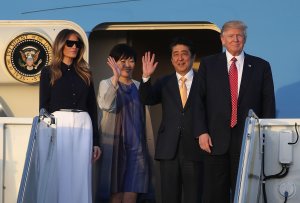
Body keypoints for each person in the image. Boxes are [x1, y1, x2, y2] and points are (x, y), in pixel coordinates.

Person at [195, 20, 276, 203]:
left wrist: (265, 136)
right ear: (222, 40)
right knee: (215, 195)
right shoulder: (208, 64)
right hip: (214, 142)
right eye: (231, 36)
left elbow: (268, 103)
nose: (235, 39)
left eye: (239, 35)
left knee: (246, 194)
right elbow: (198, 101)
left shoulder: (261, 66)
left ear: (245, 40)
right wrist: (201, 131)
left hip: (248, 142)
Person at [39, 29, 101, 203]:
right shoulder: (49, 72)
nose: (74, 47)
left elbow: (92, 107)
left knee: (82, 173)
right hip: (60, 123)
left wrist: (96, 142)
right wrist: (47, 135)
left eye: (77, 44)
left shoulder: (85, 72)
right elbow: (43, 106)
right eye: (70, 43)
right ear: (61, 45)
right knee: (61, 171)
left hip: (84, 123)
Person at [139, 37, 203, 203]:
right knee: (169, 196)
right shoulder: (164, 82)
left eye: (184, 54)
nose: (180, 58)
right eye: (176, 54)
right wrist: (145, 77)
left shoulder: (204, 81)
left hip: (196, 148)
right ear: (172, 59)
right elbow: (147, 99)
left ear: (193, 56)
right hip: (169, 149)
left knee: (194, 196)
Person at [97, 44, 155, 203]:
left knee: (132, 194)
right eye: (122, 61)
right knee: (115, 194)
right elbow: (106, 105)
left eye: (131, 61)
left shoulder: (138, 86)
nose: (127, 65)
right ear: (113, 62)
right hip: (115, 147)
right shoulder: (106, 83)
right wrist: (115, 78)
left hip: (137, 148)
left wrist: (146, 77)